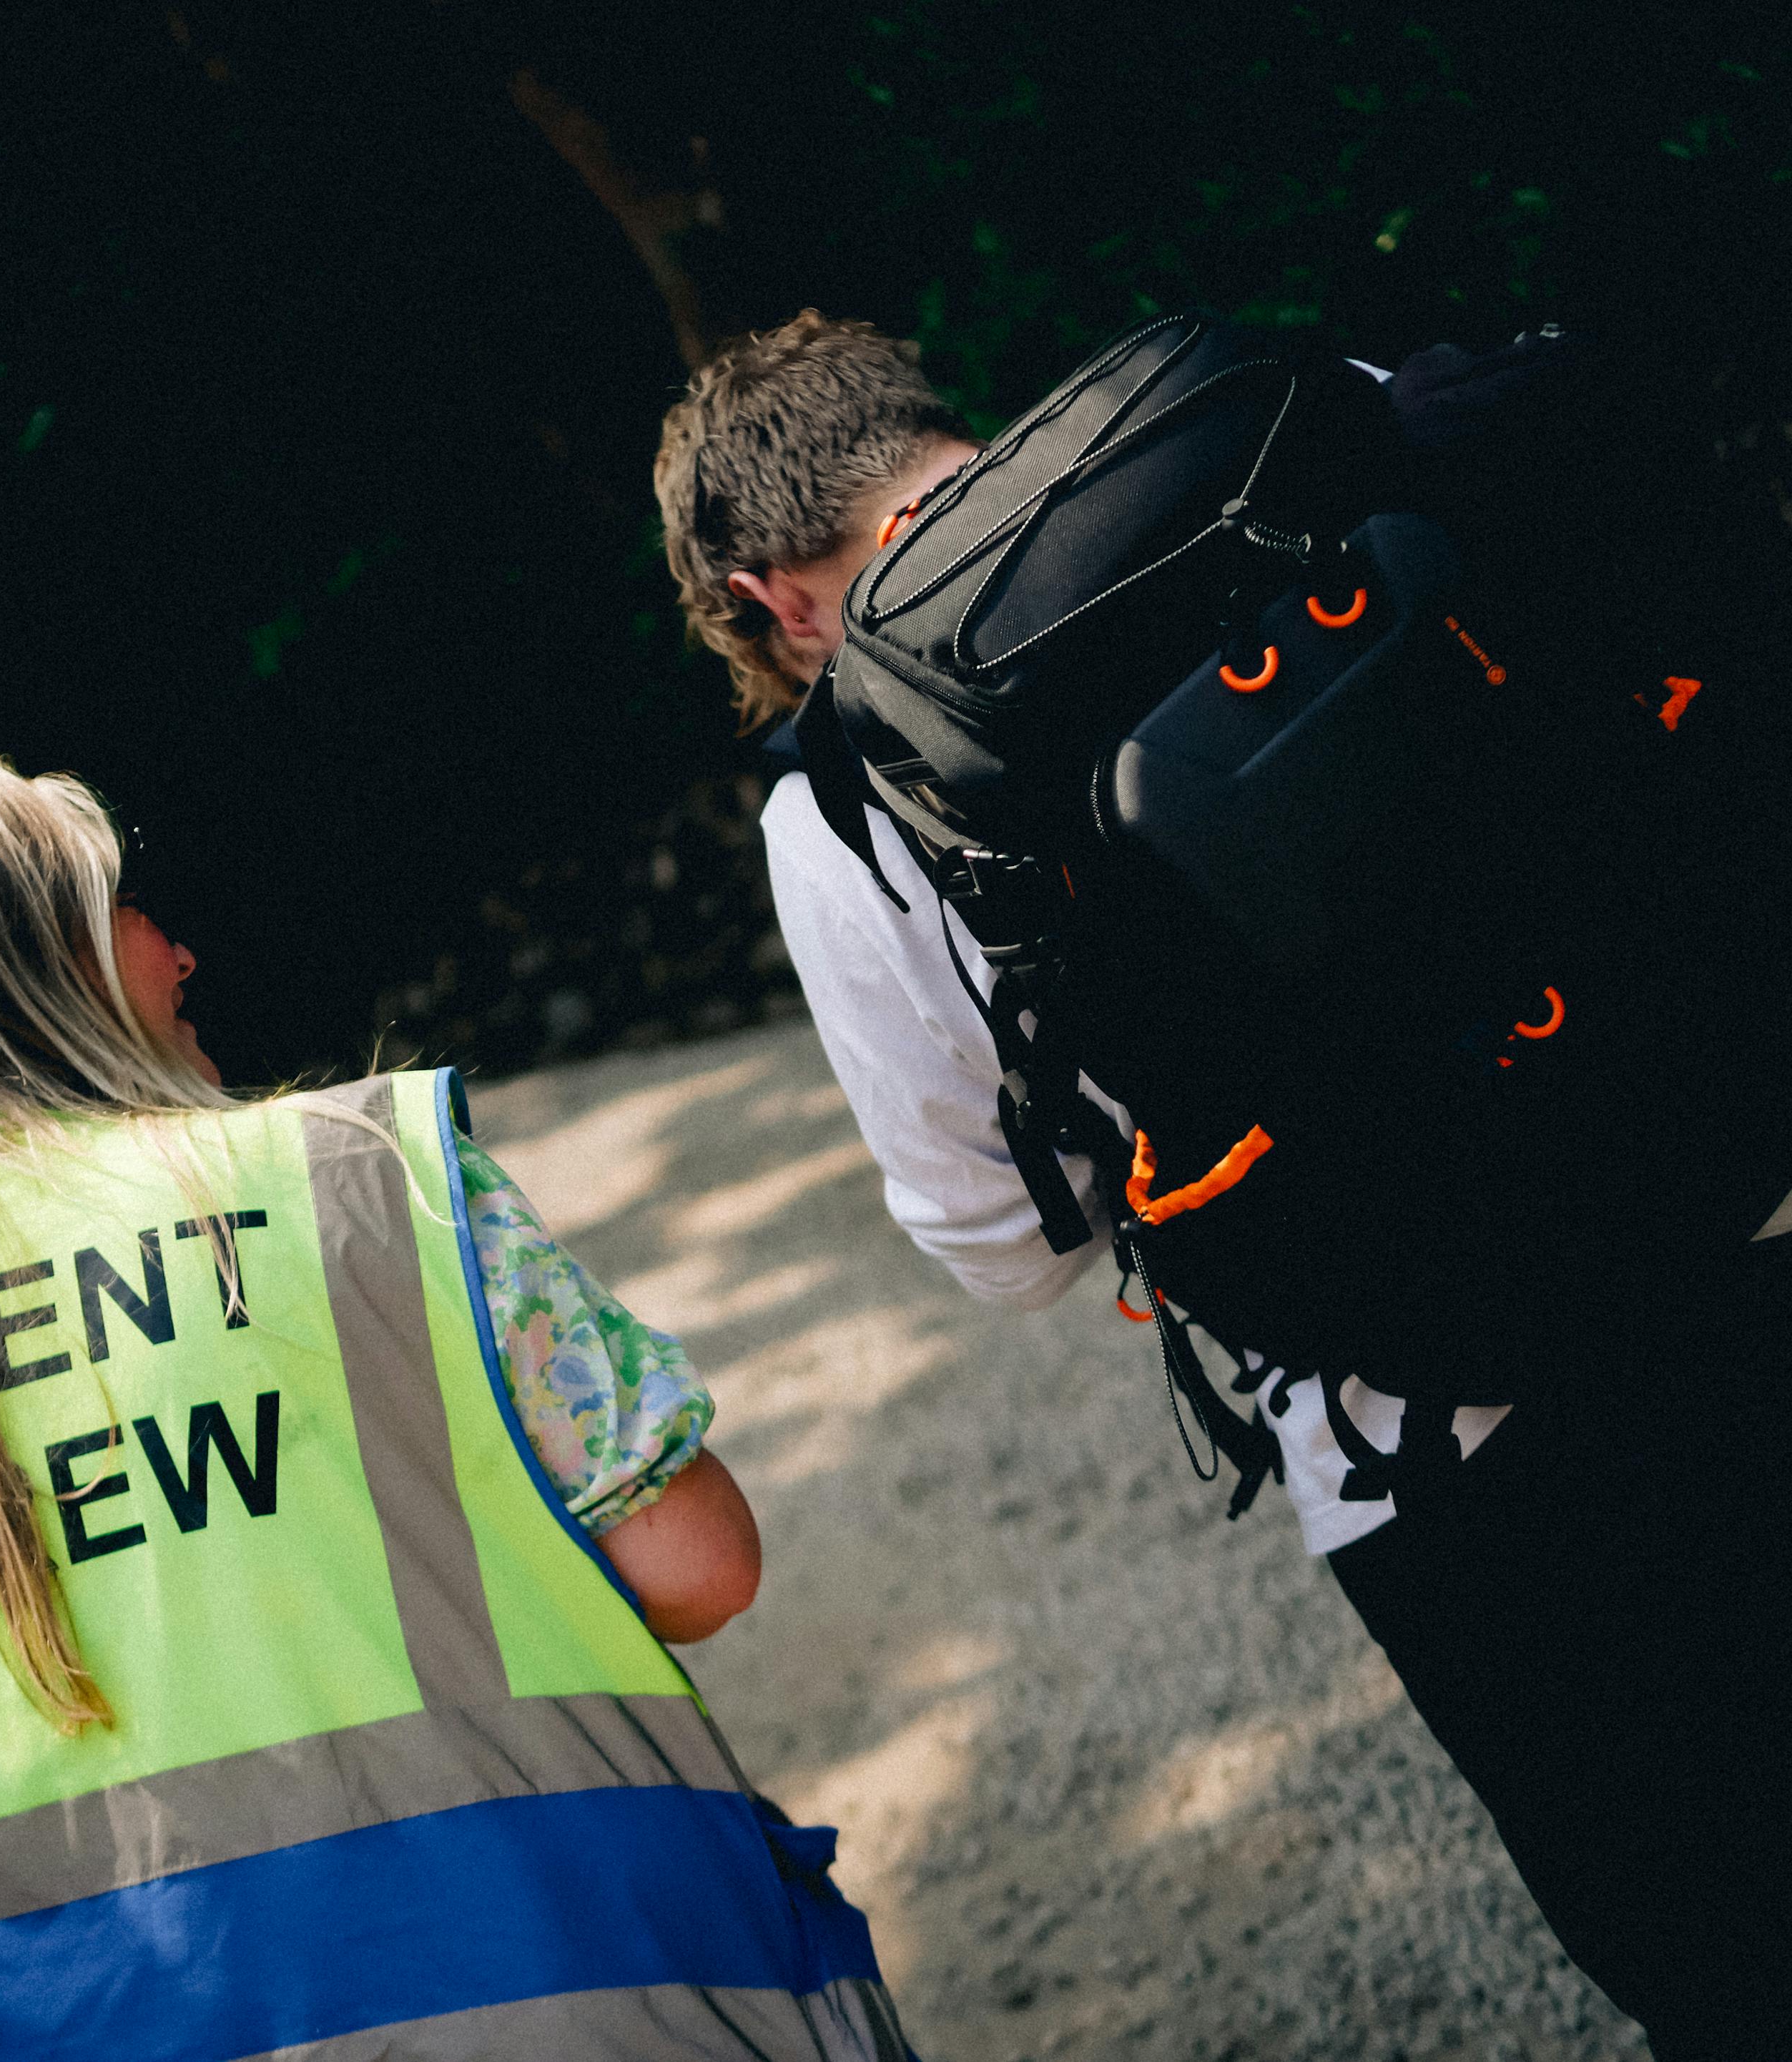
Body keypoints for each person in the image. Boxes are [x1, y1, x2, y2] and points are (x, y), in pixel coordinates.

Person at [651, 310, 1790, 2057]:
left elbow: (997, 1237)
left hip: (1435, 1399)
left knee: (1707, 1915)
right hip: (1714, 1158)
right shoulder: (1280, 432)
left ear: (756, 596)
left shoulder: (844, 798)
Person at [0, 766, 910, 2061]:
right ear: (38, 964)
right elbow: (701, 1565)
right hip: (570, 1997)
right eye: (127, 907)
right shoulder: (359, 1179)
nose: (179, 950)